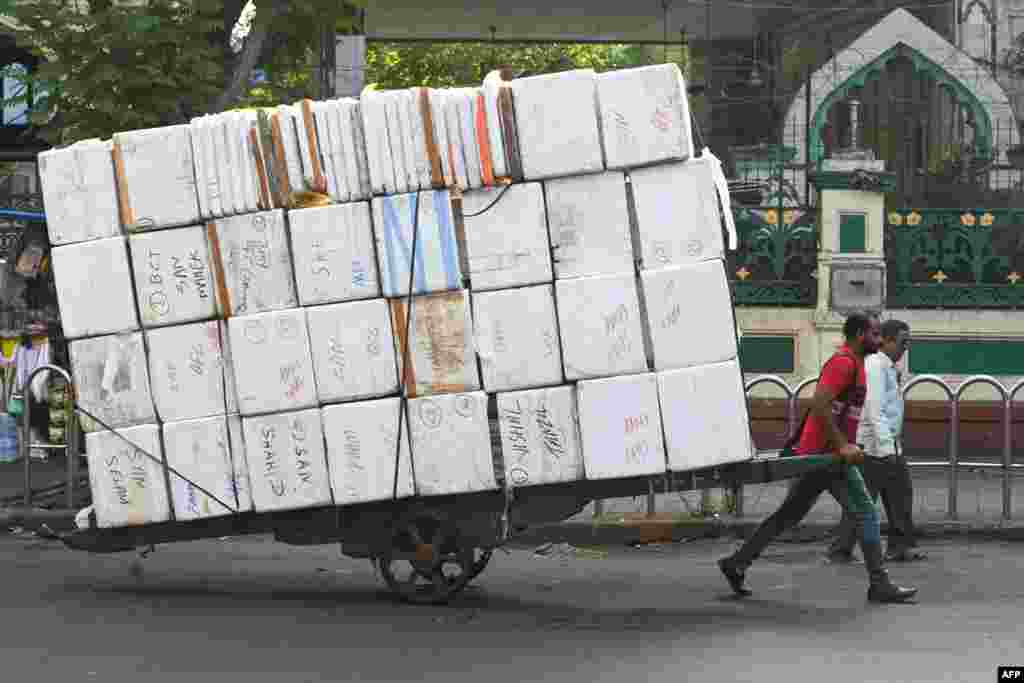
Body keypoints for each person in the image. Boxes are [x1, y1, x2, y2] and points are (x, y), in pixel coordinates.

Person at [718, 311, 917, 604]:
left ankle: (737, 562)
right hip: (825, 455)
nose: (879, 339)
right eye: (875, 334)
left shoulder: (858, 364)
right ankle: (879, 582)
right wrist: (841, 446)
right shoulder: (843, 363)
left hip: (825, 454)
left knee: (790, 514)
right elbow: (820, 404)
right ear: (861, 335)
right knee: (864, 510)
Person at [827, 319, 925, 563]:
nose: (906, 348)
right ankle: (842, 549)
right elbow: (874, 409)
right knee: (865, 499)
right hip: (874, 446)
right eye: (903, 343)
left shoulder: (886, 366)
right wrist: (886, 447)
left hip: (886, 443)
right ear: (888, 341)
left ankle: (899, 545)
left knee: (898, 493)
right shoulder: (875, 366)